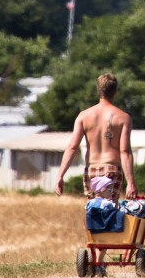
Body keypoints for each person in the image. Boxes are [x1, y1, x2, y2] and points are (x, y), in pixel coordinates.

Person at [56, 72, 138, 201]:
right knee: (109, 212)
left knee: (93, 212)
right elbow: (125, 151)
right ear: (115, 91)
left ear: (98, 90)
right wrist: (131, 182)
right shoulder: (123, 118)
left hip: (91, 170)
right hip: (111, 170)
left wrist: (60, 175)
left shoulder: (83, 116)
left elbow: (72, 147)